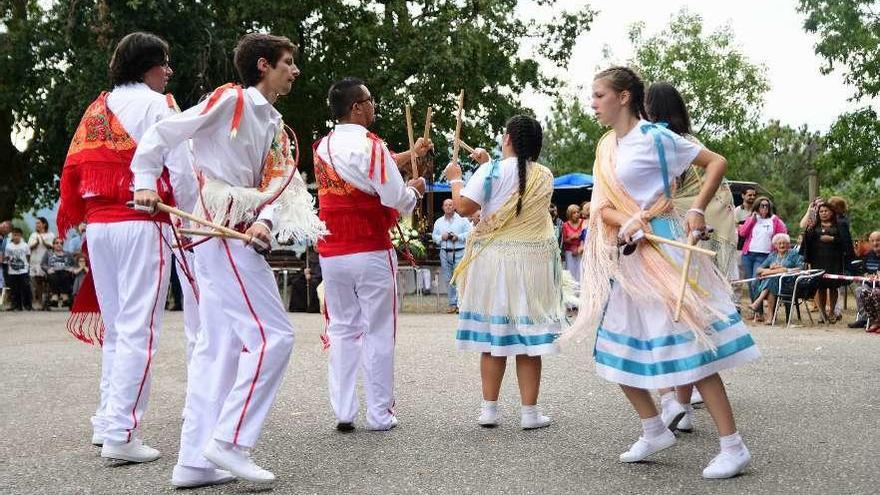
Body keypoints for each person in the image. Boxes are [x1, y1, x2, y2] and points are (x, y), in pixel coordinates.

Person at [132, 33, 324, 487]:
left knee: (217, 351)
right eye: (288, 62)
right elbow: (166, 131)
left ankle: (194, 463)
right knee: (274, 337)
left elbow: (278, 180)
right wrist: (143, 180)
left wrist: (265, 220)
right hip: (221, 227)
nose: (294, 70)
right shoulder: (230, 99)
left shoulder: (274, 121)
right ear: (263, 65)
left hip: (237, 229)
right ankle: (231, 441)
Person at [572, 66, 759, 479]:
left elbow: (716, 163)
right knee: (616, 348)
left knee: (691, 344)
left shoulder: (657, 138)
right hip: (630, 252)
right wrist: (628, 221)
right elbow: (601, 207)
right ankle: (654, 428)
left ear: (623, 97)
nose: (593, 103)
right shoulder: (607, 147)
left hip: (666, 246)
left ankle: (733, 445)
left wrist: (695, 208)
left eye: (599, 95)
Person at [56, 32, 188, 465]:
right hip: (139, 223)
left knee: (118, 329)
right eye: (164, 63)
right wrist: (188, 219)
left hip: (99, 228)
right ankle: (121, 434)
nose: (169, 71)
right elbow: (181, 170)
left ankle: (106, 421)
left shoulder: (97, 108)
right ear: (146, 66)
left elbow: (74, 171)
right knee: (139, 330)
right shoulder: (158, 106)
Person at [314, 77, 428, 433]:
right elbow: (394, 195)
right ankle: (380, 414)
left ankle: (344, 411)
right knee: (378, 331)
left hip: (331, 251)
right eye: (370, 100)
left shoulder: (322, 147)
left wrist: (410, 156)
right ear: (357, 107)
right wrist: (416, 189)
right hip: (370, 248)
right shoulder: (371, 144)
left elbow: (370, 168)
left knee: (343, 329)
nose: (374, 106)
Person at [445, 115, 563, 430]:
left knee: (493, 338)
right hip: (530, 263)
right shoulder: (545, 175)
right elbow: (514, 196)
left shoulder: (491, 170)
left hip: (494, 262)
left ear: (507, 138)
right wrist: (487, 163)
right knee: (527, 342)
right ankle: (529, 413)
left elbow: (465, 207)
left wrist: (457, 178)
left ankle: (489, 410)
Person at [645, 80, 739, 433]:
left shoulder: (667, 143)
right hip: (707, 236)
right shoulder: (691, 142)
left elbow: (662, 194)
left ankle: (674, 399)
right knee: (689, 317)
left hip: (678, 236)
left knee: (674, 317)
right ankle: (681, 402)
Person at [738, 197, 787, 319]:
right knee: (751, 284)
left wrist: (777, 253)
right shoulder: (753, 219)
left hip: (764, 255)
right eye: (761, 205)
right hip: (748, 254)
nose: (764, 208)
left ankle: (760, 308)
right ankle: (758, 312)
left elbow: (783, 236)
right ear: (757, 207)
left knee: (756, 281)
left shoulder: (775, 220)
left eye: (766, 205)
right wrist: (752, 220)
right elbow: (742, 233)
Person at [800, 203, 846, 323]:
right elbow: (807, 242)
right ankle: (822, 313)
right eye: (821, 211)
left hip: (834, 260)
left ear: (831, 212)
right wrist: (808, 230)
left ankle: (832, 313)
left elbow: (845, 242)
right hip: (818, 260)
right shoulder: (814, 226)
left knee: (833, 287)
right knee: (820, 287)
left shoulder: (839, 225)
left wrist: (832, 239)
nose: (824, 213)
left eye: (826, 211)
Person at [748, 233, 803, 320]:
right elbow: (759, 270)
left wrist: (782, 269)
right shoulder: (772, 255)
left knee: (771, 278)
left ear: (788, 244)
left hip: (788, 282)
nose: (782, 245)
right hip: (774, 282)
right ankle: (769, 315)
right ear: (775, 245)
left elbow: (800, 268)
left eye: (784, 243)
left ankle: (758, 303)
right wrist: (772, 270)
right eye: (779, 243)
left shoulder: (794, 253)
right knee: (769, 280)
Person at [432, 198, 472, 313]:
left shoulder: (463, 220)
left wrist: (458, 237)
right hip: (444, 251)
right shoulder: (438, 222)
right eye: (446, 205)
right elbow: (434, 236)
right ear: (443, 208)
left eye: (450, 205)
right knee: (448, 278)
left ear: (454, 207)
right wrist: (441, 237)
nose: (448, 207)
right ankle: (452, 303)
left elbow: (470, 233)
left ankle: (461, 304)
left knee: (459, 277)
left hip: (459, 251)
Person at [848, 231, 880, 328]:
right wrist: (866, 274)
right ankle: (864, 318)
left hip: (878, 286)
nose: (875, 243)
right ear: (869, 242)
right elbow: (862, 269)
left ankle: (876, 320)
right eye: (873, 241)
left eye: (878, 240)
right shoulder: (868, 255)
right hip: (869, 284)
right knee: (859, 290)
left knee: (875, 292)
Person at [28, 217, 55, 310]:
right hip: (35, 261)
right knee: (38, 282)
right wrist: (36, 243)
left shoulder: (50, 235)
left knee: (48, 282)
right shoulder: (33, 235)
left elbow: (53, 246)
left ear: (44, 224)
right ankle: (40, 302)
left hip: (47, 261)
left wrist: (44, 242)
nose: (37, 225)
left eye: (39, 223)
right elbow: (29, 247)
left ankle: (47, 302)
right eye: (36, 223)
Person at [42, 238, 76, 308]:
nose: (59, 245)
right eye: (57, 243)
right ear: (53, 245)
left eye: (61, 243)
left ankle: (64, 295)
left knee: (65, 275)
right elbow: (43, 264)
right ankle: (55, 296)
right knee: (53, 276)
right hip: (53, 272)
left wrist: (72, 268)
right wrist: (48, 269)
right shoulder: (48, 253)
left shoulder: (68, 254)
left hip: (65, 272)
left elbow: (74, 264)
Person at [4, 227, 32, 311]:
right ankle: (16, 305)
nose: (15, 237)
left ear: (21, 236)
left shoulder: (25, 245)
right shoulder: (9, 246)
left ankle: (27, 304)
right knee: (14, 289)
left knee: (25, 287)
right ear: (12, 236)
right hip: (12, 271)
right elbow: (7, 257)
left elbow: (28, 256)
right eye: (14, 235)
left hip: (23, 270)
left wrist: (26, 265)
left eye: (17, 235)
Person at [562, 204, 585, 283]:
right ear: (569, 214)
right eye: (574, 213)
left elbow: (587, 237)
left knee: (582, 273)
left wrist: (579, 246)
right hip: (570, 252)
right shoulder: (565, 225)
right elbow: (564, 240)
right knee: (571, 275)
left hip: (582, 251)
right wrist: (572, 238)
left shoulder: (583, 222)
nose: (576, 214)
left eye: (578, 212)